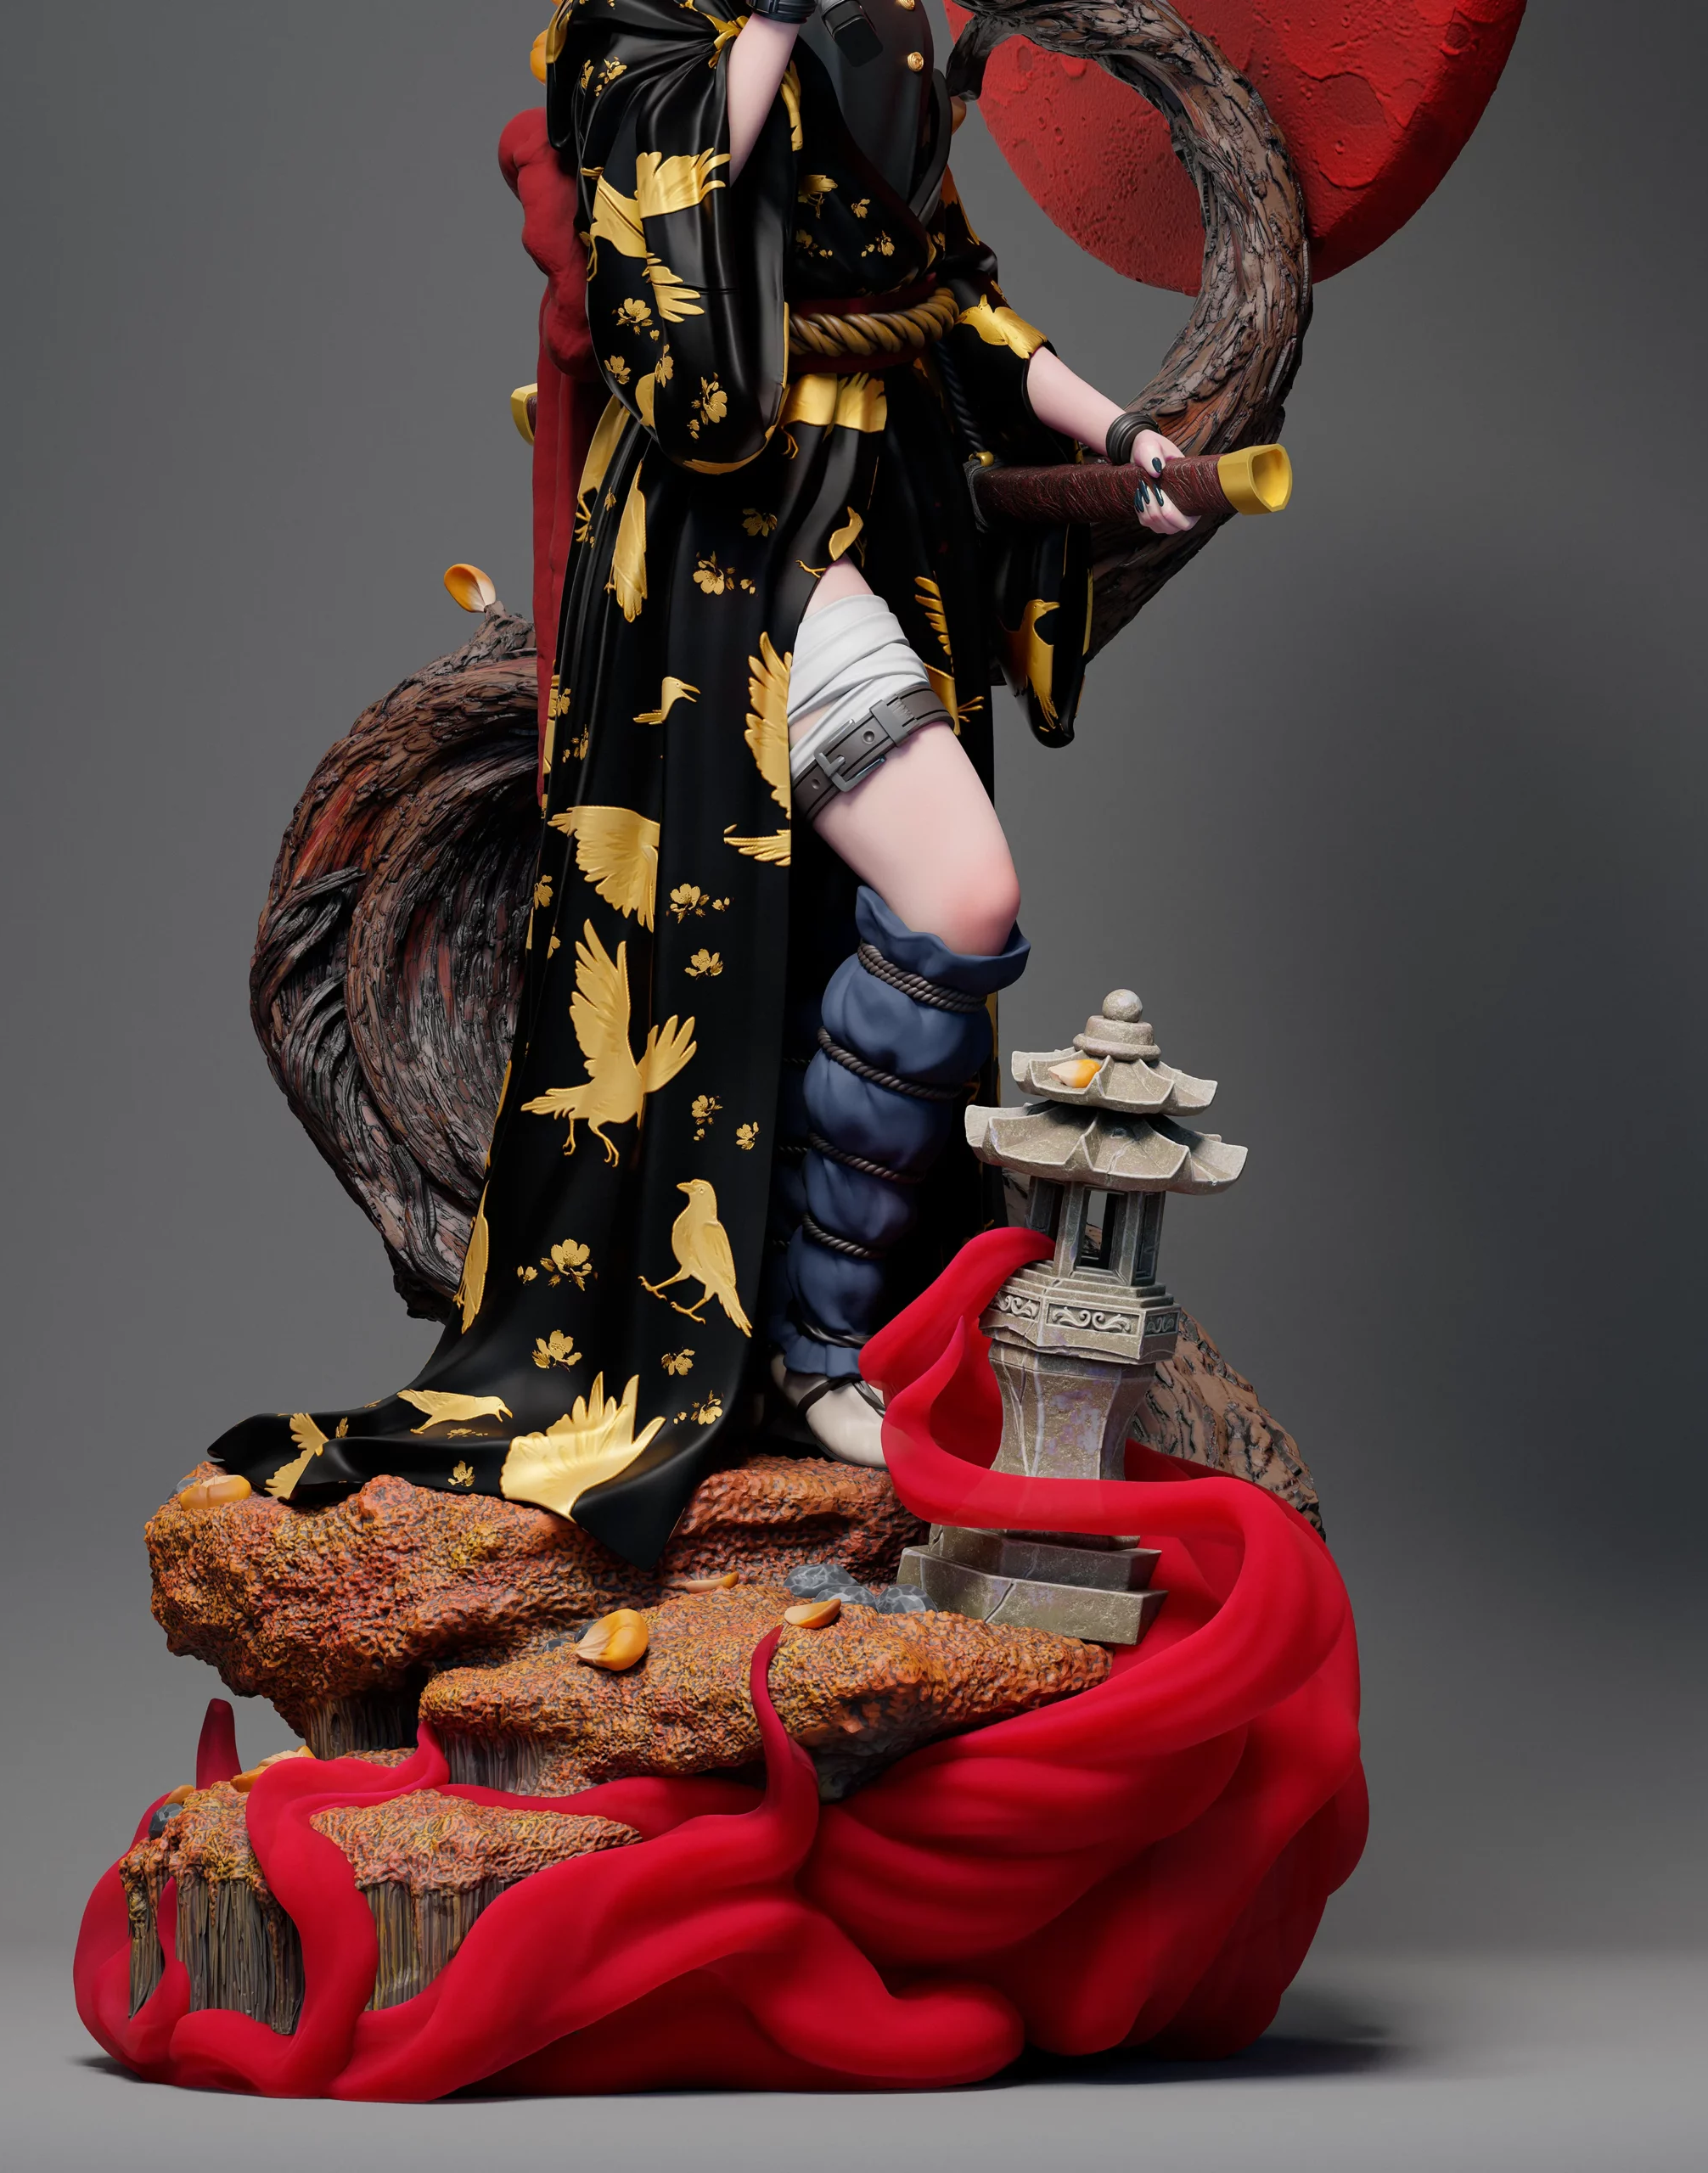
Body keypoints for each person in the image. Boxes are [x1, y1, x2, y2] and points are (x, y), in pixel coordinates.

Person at [207, 0, 1193, 1568]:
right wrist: (770, 25)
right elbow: (663, 257)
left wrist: (1121, 433)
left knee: (858, 927)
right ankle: (818, 1344)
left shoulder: (894, 25)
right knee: (959, 888)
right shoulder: (642, 27)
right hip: (729, 546)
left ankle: (827, 1332)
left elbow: (948, 294)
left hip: (881, 513)